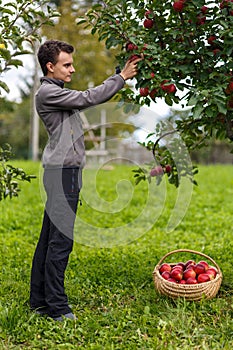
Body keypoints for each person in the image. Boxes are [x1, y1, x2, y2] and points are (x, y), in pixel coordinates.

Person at [30, 40, 142, 321]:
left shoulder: (57, 92)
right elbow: (88, 98)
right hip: (62, 174)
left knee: (49, 237)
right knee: (61, 240)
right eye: (67, 64)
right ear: (50, 66)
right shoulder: (48, 93)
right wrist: (121, 78)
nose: (72, 69)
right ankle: (57, 307)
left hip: (62, 172)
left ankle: (39, 300)